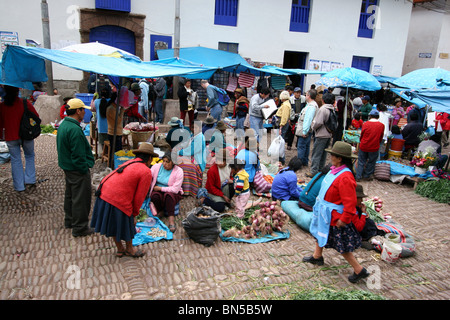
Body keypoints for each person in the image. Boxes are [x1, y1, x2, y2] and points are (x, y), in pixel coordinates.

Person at [303, 141, 369, 284]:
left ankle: (359, 269)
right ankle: (317, 256)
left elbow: (350, 202)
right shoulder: (334, 170)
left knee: (342, 246)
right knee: (318, 232)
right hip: (324, 211)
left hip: (335, 216)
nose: (331, 156)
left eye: (333, 155)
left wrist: (344, 219)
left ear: (340, 158)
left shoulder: (345, 177)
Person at [90, 143, 158, 258]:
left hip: (104, 191)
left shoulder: (129, 162)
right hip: (117, 196)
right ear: (150, 159)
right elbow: (139, 197)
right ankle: (130, 249)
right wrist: (134, 214)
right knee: (127, 221)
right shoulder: (146, 171)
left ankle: (120, 249)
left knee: (113, 222)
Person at [56, 98, 95, 237]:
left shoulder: (64, 125)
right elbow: (78, 155)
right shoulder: (74, 129)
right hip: (76, 169)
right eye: (83, 109)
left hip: (68, 167)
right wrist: (84, 168)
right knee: (81, 197)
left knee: (71, 194)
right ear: (78, 111)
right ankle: (80, 227)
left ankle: (70, 220)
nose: (85, 112)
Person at [0, 85, 39, 192]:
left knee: (15, 160)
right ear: (18, 91)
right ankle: (30, 180)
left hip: (11, 136)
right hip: (27, 134)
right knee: (29, 156)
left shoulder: (2, 106)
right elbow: (36, 116)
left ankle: (19, 186)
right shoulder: (25, 103)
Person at [150, 152, 184, 232]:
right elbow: (149, 177)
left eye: (167, 162)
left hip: (172, 191)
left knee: (169, 196)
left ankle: (171, 220)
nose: (164, 164)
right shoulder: (156, 167)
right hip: (157, 189)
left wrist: (160, 188)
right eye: (163, 161)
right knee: (154, 196)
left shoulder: (179, 171)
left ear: (173, 163)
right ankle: (160, 210)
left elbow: (175, 189)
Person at [307, 92, 335, 178]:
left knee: (316, 153)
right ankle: (321, 169)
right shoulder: (332, 108)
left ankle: (314, 171)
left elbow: (318, 122)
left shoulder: (323, 109)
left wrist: (312, 125)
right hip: (328, 134)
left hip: (321, 134)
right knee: (323, 153)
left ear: (323, 100)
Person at [176, 121, 207, 196]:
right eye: (192, 127)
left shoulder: (200, 137)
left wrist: (180, 152)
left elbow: (192, 150)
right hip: (192, 157)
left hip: (198, 161)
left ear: (199, 128)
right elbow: (187, 144)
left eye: (196, 127)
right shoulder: (193, 135)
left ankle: (189, 187)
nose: (193, 129)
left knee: (182, 165)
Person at [356, 110, 385, 181]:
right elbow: (380, 137)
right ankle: (366, 175)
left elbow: (362, 135)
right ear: (378, 117)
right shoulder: (381, 126)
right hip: (374, 146)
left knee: (361, 161)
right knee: (371, 162)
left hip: (364, 145)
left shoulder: (365, 124)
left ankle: (358, 176)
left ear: (370, 116)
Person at [296, 89, 318, 166]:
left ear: (309, 96)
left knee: (301, 146)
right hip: (307, 129)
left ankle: (299, 163)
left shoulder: (311, 106)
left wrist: (304, 131)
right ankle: (304, 161)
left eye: (306, 94)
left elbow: (308, 119)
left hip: (305, 130)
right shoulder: (310, 105)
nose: (305, 96)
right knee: (306, 146)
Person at [105, 92, 125, 164]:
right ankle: (113, 163)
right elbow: (118, 120)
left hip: (117, 132)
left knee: (118, 150)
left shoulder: (114, 108)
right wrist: (122, 111)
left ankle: (115, 163)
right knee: (116, 151)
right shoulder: (111, 109)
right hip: (113, 133)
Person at [94, 88, 110, 154]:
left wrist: (94, 98)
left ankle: (103, 153)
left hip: (101, 126)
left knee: (102, 142)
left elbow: (92, 108)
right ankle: (109, 154)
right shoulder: (110, 101)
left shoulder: (96, 101)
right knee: (109, 141)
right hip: (110, 127)